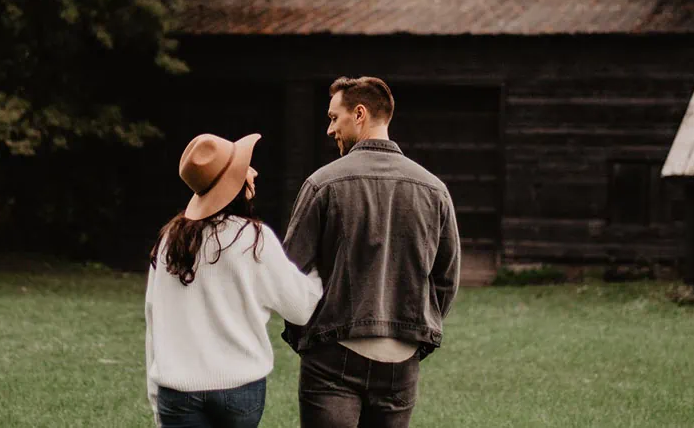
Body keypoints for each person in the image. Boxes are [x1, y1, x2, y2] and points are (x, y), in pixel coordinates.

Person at [281, 76, 462, 428]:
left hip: (332, 353)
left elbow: (290, 273)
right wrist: (412, 334)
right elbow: (446, 278)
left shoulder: (322, 184)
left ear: (359, 113)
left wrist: (307, 338)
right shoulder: (434, 189)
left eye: (334, 118)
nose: (330, 129)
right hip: (401, 358)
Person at [145, 133, 323, 428]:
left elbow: (154, 319)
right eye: (245, 168)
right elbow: (301, 308)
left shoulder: (169, 241)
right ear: (237, 185)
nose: (253, 172)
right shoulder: (254, 239)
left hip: (176, 390)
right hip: (239, 389)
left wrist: (156, 397)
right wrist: (319, 271)